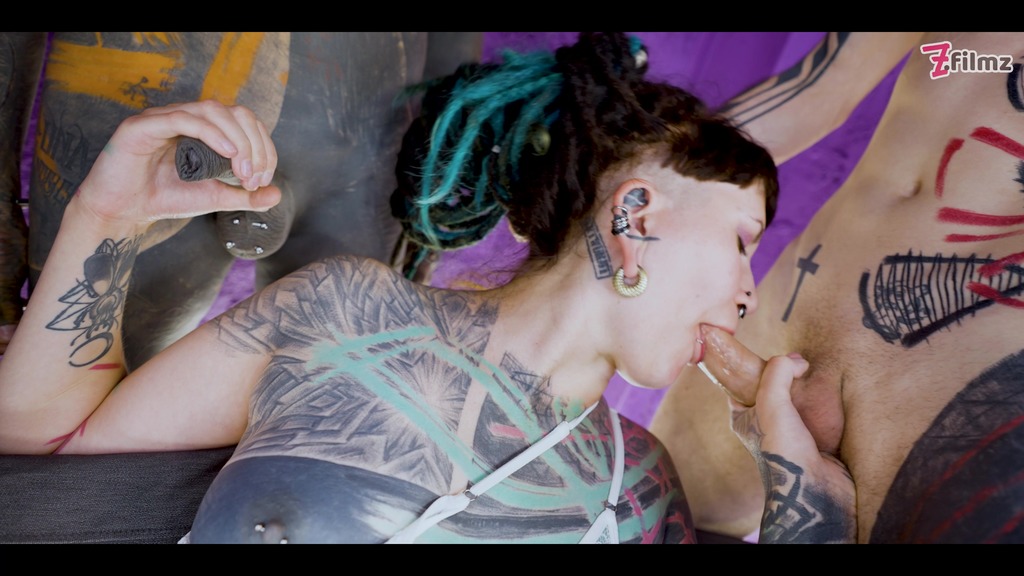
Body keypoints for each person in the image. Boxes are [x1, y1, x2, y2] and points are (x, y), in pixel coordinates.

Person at [0, 32, 852, 544]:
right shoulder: (344, 313)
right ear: (636, 212)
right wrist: (106, 216)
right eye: (742, 240)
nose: (748, 293)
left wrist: (800, 493)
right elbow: (47, 451)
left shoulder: (644, 492)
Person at [651, 32, 1024, 543]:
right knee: (650, 520)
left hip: (950, 371)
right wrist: (660, 182)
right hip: (787, 318)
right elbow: (825, 83)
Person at [0, 32, 482, 364]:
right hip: (341, 129)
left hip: (176, 115)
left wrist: (434, 186)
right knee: (76, 405)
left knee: (329, 399)